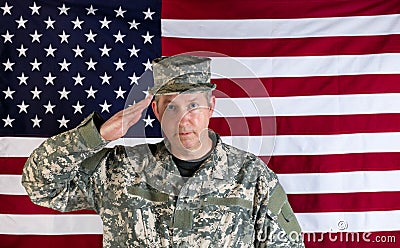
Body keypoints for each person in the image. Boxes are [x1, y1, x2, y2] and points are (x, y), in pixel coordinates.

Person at [22, 55, 305, 247]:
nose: (184, 118)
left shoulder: (252, 177)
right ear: (156, 110)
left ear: (211, 107)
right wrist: (96, 135)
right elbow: (40, 186)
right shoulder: (119, 170)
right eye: (171, 106)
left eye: (193, 105)